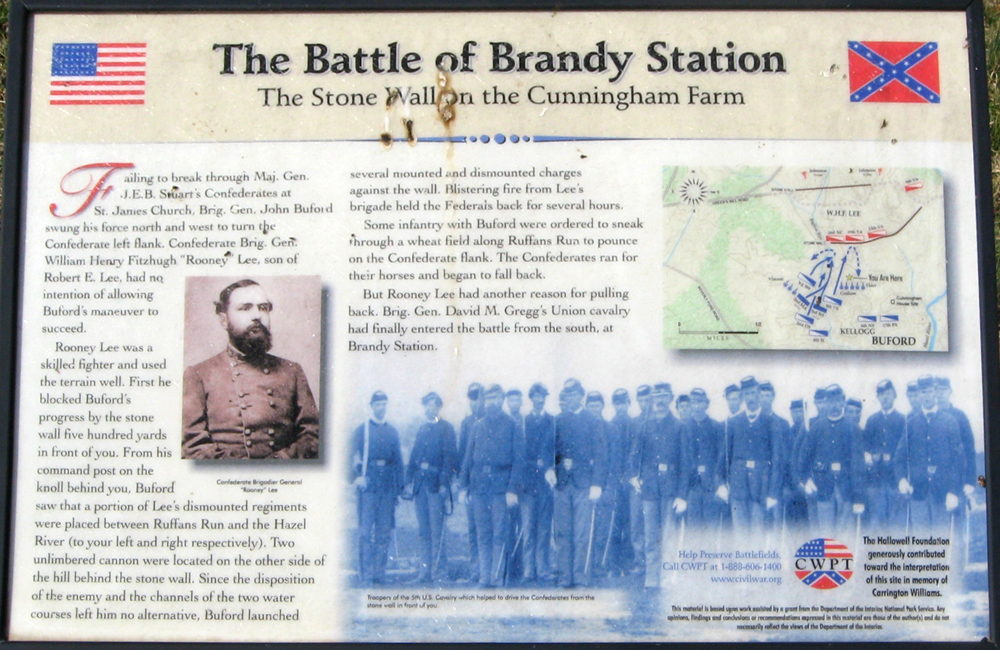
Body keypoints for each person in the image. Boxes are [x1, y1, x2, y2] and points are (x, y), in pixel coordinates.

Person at [182, 279, 319, 460]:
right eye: (245, 308)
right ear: (224, 320)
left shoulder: (292, 371)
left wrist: (279, 461)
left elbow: (313, 436)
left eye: (263, 307)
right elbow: (193, 446)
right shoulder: (199, 374)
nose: (257, 316)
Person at [459, 384, 525, 587]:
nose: (491, 403)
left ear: (502, 399)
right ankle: (484, 577)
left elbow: (518, 461)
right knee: (483, 533)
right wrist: (463, 486)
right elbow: (468, 458)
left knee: (499, 533)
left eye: (495, 398)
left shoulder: (513, 425)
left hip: (501, 488)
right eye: (488, 399)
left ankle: (497, 577)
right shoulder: (478, 426)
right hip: (479, 487)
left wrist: (512, 490)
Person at [551, 381, 607, 588]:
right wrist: (554, 466)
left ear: (581, 395)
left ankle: (580, 577)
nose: (570, 397)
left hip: (584, 483)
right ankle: (564, 577)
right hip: (563, 483)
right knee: (563, 533)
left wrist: (597, 484)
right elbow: (551, 451)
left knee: (582, 533)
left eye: (574, 393)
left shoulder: (593, 421)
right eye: (567, 394)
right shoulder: (558, 420)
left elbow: (601, 455)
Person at [630, 382, 686, 589]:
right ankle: (652, 580)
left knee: (668, 536)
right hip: (650, 489)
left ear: (670, 398)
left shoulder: (679, 426)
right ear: (652, 399)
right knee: (650, 535)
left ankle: (667, 580)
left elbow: (685, 462)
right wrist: (634, 476)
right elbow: (635, 455)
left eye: (664, 396)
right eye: (657, 397)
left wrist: (682, 495)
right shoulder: (645, 425)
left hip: (671, 488)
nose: (660, 401)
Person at [894, 376, 965, 536]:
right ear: (919, 395)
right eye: (923, 392)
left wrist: (953, 491)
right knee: (921, 544)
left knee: (942, 541)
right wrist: (902, 480)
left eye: (930, 391)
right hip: (918, 494)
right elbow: (899, 458)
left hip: (942, 495)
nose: (927, 396)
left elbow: (959, 461)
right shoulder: (911, 423)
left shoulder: (949, 421)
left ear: (936, 392)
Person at [350, 391, 404, 586]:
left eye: (384, 404)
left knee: (383, 531)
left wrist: (399, 488)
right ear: (372, 406)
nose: (381, 407)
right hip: (368, 487)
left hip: (387, 487)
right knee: (365, 532)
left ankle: (379, 574)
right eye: (378, 404)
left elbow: (398, 461)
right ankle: (365, 575)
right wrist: (357, 477)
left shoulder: (392, 431)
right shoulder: (362, 430)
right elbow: (348, 455)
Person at [796, 385, 864, 537]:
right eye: (830, 401)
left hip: (846, 492)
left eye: (838, 401)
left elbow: (858, 465)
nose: (834, 405)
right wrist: (806, 479)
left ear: (843, 402)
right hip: (823, 490)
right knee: (825, 536)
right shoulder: (817, 428)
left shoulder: (852, 429)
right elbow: (803, 458)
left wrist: (858, 497)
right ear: (825, 403)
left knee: (844, 537)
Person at [405, 392, 459, 582]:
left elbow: (450, 459)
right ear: (425, 407)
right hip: (420, 486)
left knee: (437, 531)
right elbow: (413, 457)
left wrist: (444, 484)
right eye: (428, 405)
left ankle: (439, 573)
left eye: (435, 405)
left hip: (436, 486)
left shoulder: (447, 429)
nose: (431, 408)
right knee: (423, 531)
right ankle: (424, 572)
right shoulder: (422, 430)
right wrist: (407, 481)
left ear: (439, 407)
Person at [719, 377, 780, 535]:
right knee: (740, 536)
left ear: (759, 394)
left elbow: (776, 459)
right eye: (747, 394)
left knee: (757, 536)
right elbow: (724, 455)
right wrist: (720, 483)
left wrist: (773, 492)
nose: (751, 398)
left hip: (760, 489)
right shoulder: (734, 423)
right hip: (738, 488)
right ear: (742, 397)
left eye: (753, 393)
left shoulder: (771, 422)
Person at [520, 383, 555, 583]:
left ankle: (543, 569)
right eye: (536, 396)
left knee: (543, 529)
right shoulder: (524, 422)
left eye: (542, 396)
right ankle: (528, 570)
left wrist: (548, 466)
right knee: (528, 528)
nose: (539, 399)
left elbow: (554, 449)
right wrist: (535, 464)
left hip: (545, 482)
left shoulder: (552, 421)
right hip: (528, 482)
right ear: (531, 398)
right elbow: (520, 453)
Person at [861, 380, 906, 529]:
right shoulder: (872, 420)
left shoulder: (902, 420)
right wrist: (870, 456)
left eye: (888, 394)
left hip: (895, 479)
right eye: (881, 395)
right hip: (876, 480)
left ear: (894, 395)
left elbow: (906, 449)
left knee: (896, 522)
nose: (885, 398)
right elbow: (865, 447)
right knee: (876, 520)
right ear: (878, 398)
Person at [682, 388, 723, 530]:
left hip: (710, 486)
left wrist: (718, 481)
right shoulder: (683, 427)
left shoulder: (716, 427)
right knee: (693, 529)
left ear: (707, 404)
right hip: (691, 486)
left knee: (711, 529)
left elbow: (720, 457)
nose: (697, 406)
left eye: (700, 402)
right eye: (694, 402)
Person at [458, 383, 485, 583]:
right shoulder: (466, 423)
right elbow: (462, 457)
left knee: (491, 528)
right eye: (472, 399)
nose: (476, 402)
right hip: (473, 484)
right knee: (474, 528)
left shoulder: (492, 420)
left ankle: (490, 569)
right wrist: (463, 486)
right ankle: (476, 569)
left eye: (479, 398)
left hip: (491, 484)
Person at [759, 381, 790, 531]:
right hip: (757, 484)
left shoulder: (782, 424)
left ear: (773, 398)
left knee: (776, 527)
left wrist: (782, 484)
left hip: (776, 483)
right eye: (762, 395)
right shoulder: (751, 423)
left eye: (768, 396)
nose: (765, 399)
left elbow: (785, 457)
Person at [627, 385, 652, 573]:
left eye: (647, 399)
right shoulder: (633, 423)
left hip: (652, 480)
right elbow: (629, 453)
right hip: (636, 480)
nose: (645, 403)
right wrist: (632, 477)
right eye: (641, 400)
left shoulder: (657, 422)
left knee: (652, 522)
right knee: (636, 522)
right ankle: (639, 560)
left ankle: (652, 561)